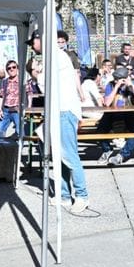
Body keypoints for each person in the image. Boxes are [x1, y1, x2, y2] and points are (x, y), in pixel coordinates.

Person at [51, 35, 89, 213]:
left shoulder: (60, 56)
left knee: (70, 156)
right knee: (61, 156)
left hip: (65, 111)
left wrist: (80, 93)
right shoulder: (56, 56)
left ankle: (82, 196)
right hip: (61, 110)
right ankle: (65, 196)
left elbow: (74, 75)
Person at [96, 65, 134, 165]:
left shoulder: (133, 85)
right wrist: (116, 87)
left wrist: (132, 87)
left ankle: (122, 155)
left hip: (131, 113)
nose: (116, 81)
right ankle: (107, 150)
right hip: (113, 113)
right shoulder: (111, 85)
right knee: (100, 129)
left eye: (119, 79)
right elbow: (107, 103)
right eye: (115, 79)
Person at [0, 59, 23, 139]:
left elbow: (28, 94)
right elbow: (1, 95)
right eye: (9, 68)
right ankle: (0, 149)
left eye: (14, 67)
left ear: (17, 68)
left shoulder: (22, 81)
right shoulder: (4, 81)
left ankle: (18, 149)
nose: (11, 69)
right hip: (6, 110)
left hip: (17, 109)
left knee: (19, 132)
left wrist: (25, 109)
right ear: (7, 70)